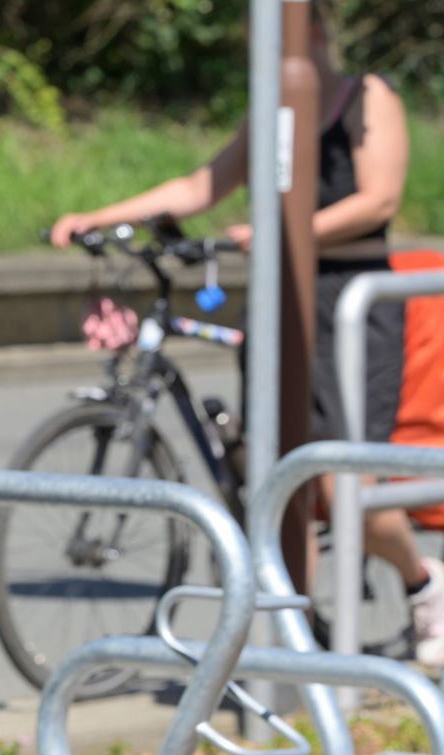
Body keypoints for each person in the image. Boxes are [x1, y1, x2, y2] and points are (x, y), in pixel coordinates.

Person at [49, 0, 444, 667]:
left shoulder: (366, 96)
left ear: (310, 27)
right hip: (279, 299)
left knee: (351, 482)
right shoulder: (275, 110)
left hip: (349, 303)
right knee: (278, 474)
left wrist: (289, 230)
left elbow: (379, 198)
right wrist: (97, 216)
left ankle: (424, 584)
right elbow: (203, 183)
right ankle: (296, 642)